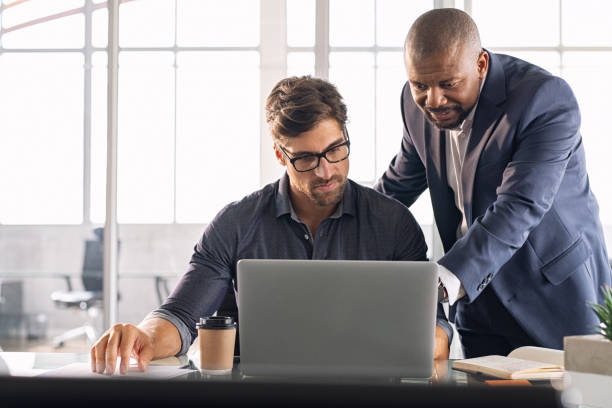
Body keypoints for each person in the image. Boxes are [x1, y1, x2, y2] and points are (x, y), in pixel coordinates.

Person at [90, 76, 451, 375]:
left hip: (366, 394)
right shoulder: (236, 224)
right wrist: (145, 337)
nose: (327, 171)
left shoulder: (393, 223)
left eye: (336, 150)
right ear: (280, 154)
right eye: (307, 158)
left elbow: (436, 332)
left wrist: (428, 338)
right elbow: (181, 315)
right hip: (260, 393)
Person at [375, 8, 612, 358]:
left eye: (448, 84)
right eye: (420, 86)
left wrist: (444, 280)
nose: (434, 100)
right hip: (476, 299)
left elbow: (520, 205)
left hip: (553, 293)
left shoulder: (544, 99)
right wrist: (338, 223)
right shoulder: (414, 107)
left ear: (481, 65)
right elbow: (395, 189)